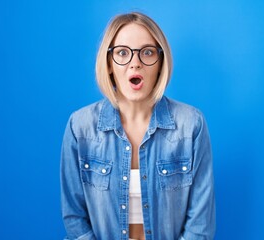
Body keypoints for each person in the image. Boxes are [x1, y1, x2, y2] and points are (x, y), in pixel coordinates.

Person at [60, 12, 216, 240]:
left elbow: (200, 225)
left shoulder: (191, 125)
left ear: (161, 62)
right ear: (109, 63)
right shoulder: (80, 127)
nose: (135, 63)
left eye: (147, 52)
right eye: (123, 52)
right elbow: (74, 219)